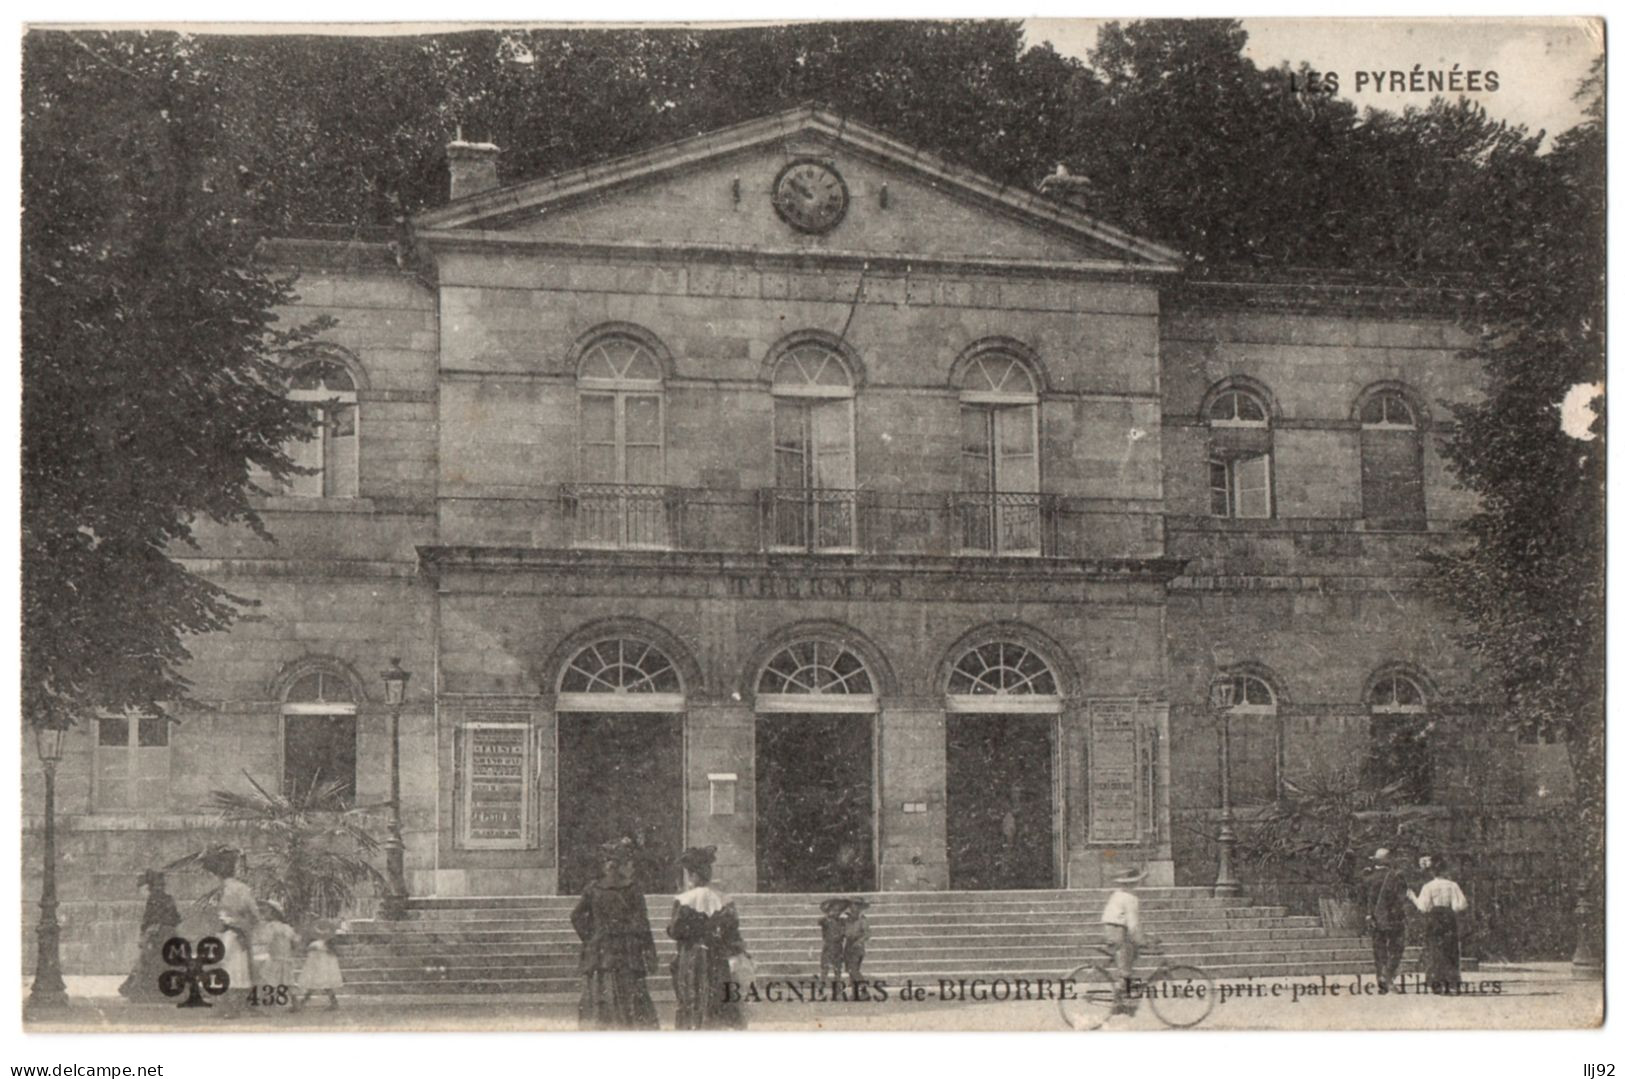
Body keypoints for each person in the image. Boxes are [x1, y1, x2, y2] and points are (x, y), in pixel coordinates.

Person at [572, 838, 659, 1030]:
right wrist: (650, 953)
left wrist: (590, 937)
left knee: (600, 993)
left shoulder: (593, 889)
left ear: (606, 866)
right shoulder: (633, 889)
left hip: (600, 951)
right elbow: (643, 925)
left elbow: (576, 916)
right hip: (627, 951)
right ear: (620, 865)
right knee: (630, 996)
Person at [668, 845, 747, 1030]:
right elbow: (733, 932)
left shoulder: (683, 900)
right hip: (716, 957)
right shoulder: (725, 900)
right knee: (715, 996)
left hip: (691, 957)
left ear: (692, 875)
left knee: (692, 995)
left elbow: (675, 931)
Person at [201, 847, 258, 1018]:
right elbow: (254, 913)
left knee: (228, 968)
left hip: (227, 933)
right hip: (235, 932)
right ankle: (230, 1007)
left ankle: (228, 1008)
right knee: (235, 969)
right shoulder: (240, 888)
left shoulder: (224, 889)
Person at [118, 869, 181, 1002]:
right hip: (170, 936)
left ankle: (142, 993)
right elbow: (176, 918)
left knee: (149, 964)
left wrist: (144, 936)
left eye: (141, 890)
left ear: (147, 887)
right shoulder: (168, 898)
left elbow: (148, 921)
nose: (141, 894)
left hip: (156, 936)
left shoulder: (152, 899)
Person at [1409, 856, 1469, 992]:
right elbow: (1461, 905)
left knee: (1435, 949)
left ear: (1432, 872)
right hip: (1449, 917)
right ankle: (1452, 982)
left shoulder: (1428, 886)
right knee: (1450, 949)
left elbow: (1423, 907)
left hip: (1434, 918)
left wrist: (1412, 897)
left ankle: (1437, 983)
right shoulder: (1453, 885)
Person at [1362, 847, 1410, 992]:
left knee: (1379, 949)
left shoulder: (1368, 877)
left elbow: (1363, 899)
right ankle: (1387, 976)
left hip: (1375, 918)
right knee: (1396, 948)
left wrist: (1369, 914)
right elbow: (1403, 897)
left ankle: (1381, 979)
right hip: (1394, 918)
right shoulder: (1397, 876)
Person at [1100, 868, 1146, 1015]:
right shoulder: (1131, 898)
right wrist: (1141, 940)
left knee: (1129, 956)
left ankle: (1124, 994)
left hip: (1110, 927)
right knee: (1126, 963)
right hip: (1118, 930)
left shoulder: (1117, 894)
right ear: (1136, 882)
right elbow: (1133, 924)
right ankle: (1118, 1002)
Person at [251, 901, 300, 999]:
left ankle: (267, 1003)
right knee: (288, 981)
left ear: (273, 913)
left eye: (267, 911)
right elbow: (295, 941)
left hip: (275, 958)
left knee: (268, 980)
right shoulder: (287, 927)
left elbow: (265, 939)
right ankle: (295, 1003)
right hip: (286, 958)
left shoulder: (271, 926)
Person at [294, 917, 345, 1011]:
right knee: (320, 985)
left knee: (318, 985)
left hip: (319, 967)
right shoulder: (326, 945)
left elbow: (307, 950)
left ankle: (304, 1001)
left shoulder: (317, 944)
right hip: (318, 966)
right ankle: (332, 1002)